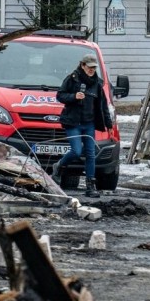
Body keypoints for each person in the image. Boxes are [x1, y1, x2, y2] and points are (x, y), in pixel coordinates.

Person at [56, 53, 110, 198]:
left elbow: (103, 105)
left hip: (89, 123)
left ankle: (90, 186)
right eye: (89, 67)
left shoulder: (97, 84)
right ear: (82, 65)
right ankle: (59, 166)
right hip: (73, 122)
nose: (92, 70)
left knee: (91, 154)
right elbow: (60, 95)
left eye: (94, 67)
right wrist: (74, 97)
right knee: (76, 151)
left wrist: (108, 124)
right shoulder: (72, 79)